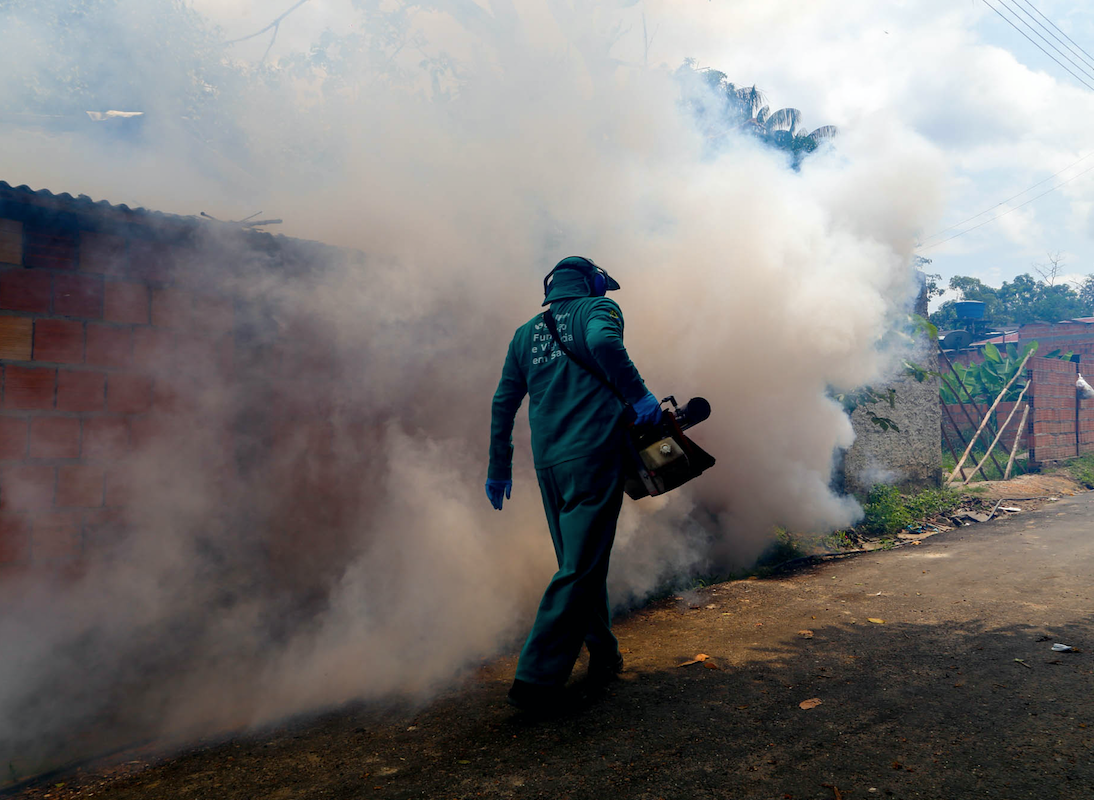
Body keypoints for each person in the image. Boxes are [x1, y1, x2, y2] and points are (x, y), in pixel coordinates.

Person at [486, 255, 662, 711]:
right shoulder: (597, 310)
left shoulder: (524, 334)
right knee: (580, 568)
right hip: (592, 453)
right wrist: (638, 393)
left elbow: (503, 402)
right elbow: (604, 343)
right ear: (591, 282)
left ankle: (605, 656)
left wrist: (498, 466)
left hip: (549, 463)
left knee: (581, 562)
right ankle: (536, 678)